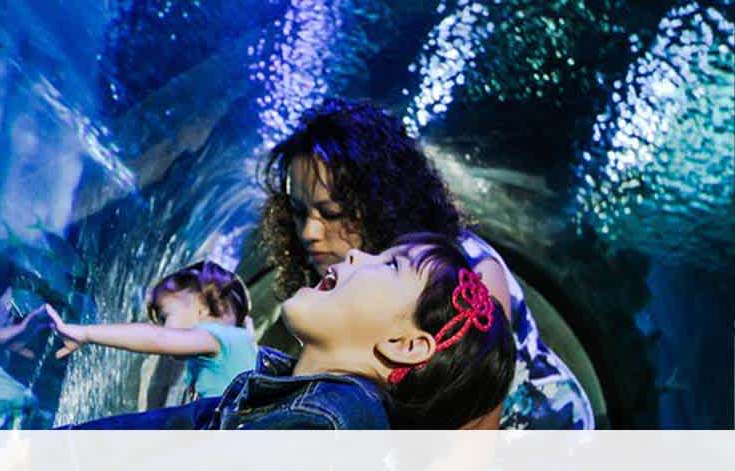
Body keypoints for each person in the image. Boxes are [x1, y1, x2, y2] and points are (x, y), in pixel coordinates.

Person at [258, 98, 594, 429]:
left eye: (331, 213)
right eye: (299, 212)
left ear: (379, 200)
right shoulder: (338, 276)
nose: (309, 232)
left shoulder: (469, 273)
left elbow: (476, 439)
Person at [59, 234, 516, 430]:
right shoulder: (284, 390)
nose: (356, 254)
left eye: (391, 265)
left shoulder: (330, 422)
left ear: (405, 344)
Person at [46, 260, 257, 401]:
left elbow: (157, 338)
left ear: (201, 307)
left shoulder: (218, 338)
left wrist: (87, 334)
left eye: (166, 317)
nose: (164, 328)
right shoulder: (232, 345)